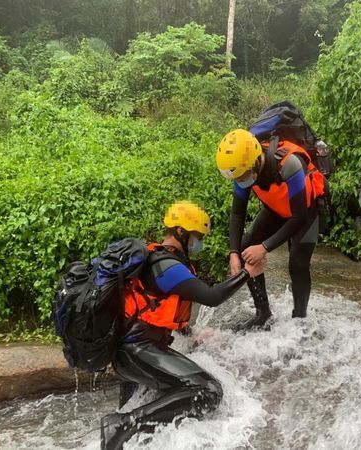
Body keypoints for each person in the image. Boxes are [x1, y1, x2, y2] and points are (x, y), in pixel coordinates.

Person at [100, 201, 265, 449]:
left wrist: (191, 333)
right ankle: (123, 424)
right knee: (207, 390)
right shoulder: (168, 266)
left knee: (137, 438)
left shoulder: (158, 258)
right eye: (196, 236)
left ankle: (122, 428)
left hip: (132, 350)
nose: (197, 242)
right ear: (180, 232)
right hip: (138, 349)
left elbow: (155, 307)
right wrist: (247, 274)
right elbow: (212, 297)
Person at [215, 129, 326, 328]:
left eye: (245, 176)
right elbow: (237, 214)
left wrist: (264, 248)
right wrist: (233, 252)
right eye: (238, 178)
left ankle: (299, 319)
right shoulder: (242, 170)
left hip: (305, 212)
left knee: (297, 264)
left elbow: (298, 217)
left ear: (257, 161)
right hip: (277, 209)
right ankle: (263, 312)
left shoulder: (288, 165)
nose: (241, 182)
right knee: (245, 247)